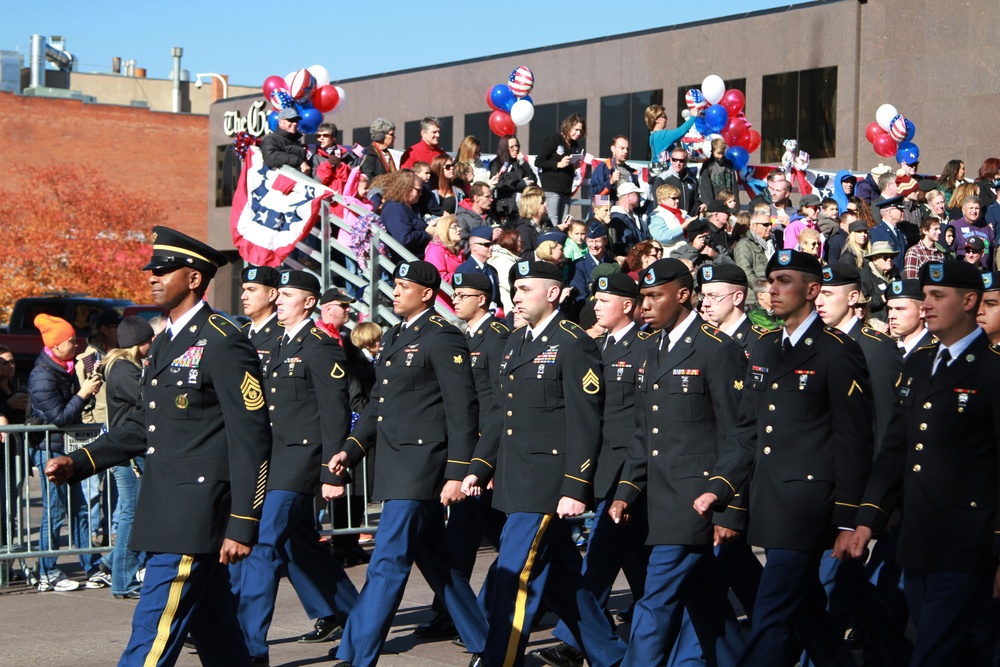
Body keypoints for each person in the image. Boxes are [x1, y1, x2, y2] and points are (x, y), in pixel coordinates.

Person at [44, 226, 272, 666]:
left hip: (196, 509)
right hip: (167, 504)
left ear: (193, 279)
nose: (153, 277)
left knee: (152, 633)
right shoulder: (165, 340)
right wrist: (80, 461)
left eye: (165, 269)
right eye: (153, 269)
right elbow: (146, 425)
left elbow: (252, 436)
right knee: (218, 630)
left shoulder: (224, 338)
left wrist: (244, 520)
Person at [694, 249, 875, 667]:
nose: (772, 290)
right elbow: (747, 429)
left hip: (812, 506)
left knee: (771, 613)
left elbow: (854, 441)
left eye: (784, 281)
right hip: (771, 502)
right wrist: (720, 486)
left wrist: (850, 519)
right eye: (770, 281)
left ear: (813, 290)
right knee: (808, 610)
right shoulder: (763, 347)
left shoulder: (837, 351)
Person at [463, 260, 628, 667]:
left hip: (547, 484)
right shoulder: (516, 342)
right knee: (560, 579)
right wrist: (479, 466)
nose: (516, 297)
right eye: (514, 289)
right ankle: (612, 656)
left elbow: (586, 421)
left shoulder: (573, 342)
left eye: (525, 289)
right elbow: (502, 413)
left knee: (514, 575)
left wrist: (575, 486)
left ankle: (500, 660)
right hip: (516, 480)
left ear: (553, 293)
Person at [326, 260, 487, 667]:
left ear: (427, 293)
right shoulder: (397, 335)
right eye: (394, 285)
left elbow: (462, 409)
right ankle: (490, 643)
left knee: (387, 560)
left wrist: (456, 472)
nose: (395, 292)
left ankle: (356, 654)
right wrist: (352, 447)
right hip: (396, 463)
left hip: (422, 465)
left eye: (403, 286)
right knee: (440, 564)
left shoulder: (442, 337)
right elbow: (380, 403)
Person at [849, 260, 1000, 666]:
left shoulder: (991, 369)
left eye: (937, 296)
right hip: (919, 537)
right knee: (966, 647)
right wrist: (868, 519)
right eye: (926, 297)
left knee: (934, 651)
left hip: (968, 540)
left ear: (969, 301)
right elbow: (896, 449)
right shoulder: (918, 363)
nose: (926, 305)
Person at [606, 258, 746, 667]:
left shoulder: (717, 349)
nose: (643, 306)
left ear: (683, 295)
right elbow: (644, 431)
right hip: (659, 497)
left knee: (654, 601)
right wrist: (627, 490)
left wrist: (730, 507)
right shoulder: (650, 347)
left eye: (654, 296)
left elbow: (738, 433)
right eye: (641, 297)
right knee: (707, 603)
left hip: (697, 499)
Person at [230, 270, 358, 665]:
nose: (279, 300)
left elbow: (335, 413)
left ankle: (250, 647)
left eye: (287, 294)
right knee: (300, 547)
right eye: (278, 294)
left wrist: (332, 472)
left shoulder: (319, 345)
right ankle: (360, 620)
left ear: (308, 302)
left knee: (263, 546)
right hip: (270, 458)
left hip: (299, 461)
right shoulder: (279, 343)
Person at [533, 274, 653, 667]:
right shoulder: (597, 346)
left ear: (629, 306)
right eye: (596, 299)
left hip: (629, 468)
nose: (598, 306)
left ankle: (574, 639)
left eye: (606, 300)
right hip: (602, 466)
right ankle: (663, 624)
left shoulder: (647, 347)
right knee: (636, 560)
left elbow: (643, 419)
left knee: (601, 551)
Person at [419, 271, 511, 640]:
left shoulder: (497, 337)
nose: (455, 300)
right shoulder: (461, 337)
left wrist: (486, 459)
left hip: (488, 455)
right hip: (469, 453)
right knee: (466, 535)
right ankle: (452, 613)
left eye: (464, 294)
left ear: (483, 300)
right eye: (454, 294)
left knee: (498, 537)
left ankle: (464, 614)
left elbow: (499, 402)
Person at [28, 313, 103, 592]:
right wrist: (83, 393)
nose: (77, 345)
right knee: (56, 511)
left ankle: (92, 566)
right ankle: (47, 571)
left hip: (68, 449)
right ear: (55, 346)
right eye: (71, 341)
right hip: (49, 450)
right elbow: (59, 417)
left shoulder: (68, 367)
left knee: (81, 509)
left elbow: (74, 411)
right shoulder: (42, 375)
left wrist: (88, 389)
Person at [100, 316, 155, 600]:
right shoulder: (123, 370)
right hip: (128, 452)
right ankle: (123, 580)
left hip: (129, 451)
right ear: (137, 344)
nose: (152, 346)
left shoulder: (123, 367)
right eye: (148, 341)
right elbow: (150, 400)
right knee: (131, 515)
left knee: (132, 513)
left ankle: (112, 562)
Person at [535, 114, 585, 228]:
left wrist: (574, 165)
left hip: (566, 189)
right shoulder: (554, 139)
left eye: (580, 131)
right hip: (552, 189)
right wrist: (558, 164)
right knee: (553, 221)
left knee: (565, 221)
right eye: (576, 129)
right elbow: (539, 161)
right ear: (568, 126)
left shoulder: (574, 144)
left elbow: (567, 165)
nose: (578, 133)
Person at [381, 169, 435, 260]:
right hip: (407, 262)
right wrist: (427, 233)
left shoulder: (410, 207)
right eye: (418, 190)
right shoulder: (394, 209)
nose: (420, 194)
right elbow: (404, 239)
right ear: (407, 188)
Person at [240, 265, 283, 368]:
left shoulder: (283, 334)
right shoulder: (241, 333)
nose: (243, 297)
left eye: (251, 290)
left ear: (272, 294)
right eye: (244, 290)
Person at [490, 134, 537, 222]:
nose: (515, 149)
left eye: (517, 146)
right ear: (504, 148)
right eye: (511, 147)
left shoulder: (519, 163)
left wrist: (523, 162)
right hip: (506, 208)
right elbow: (500, 183)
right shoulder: (496, 164)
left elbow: (533, 179)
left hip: (522, 208)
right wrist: (522, 183)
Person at [733, 209, 775, 307]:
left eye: (770, 224)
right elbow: (745, 271)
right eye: (765, 224)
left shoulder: (771, 244)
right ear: (754, 226)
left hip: (769, 298)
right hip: (753, 300)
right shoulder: (744, 245)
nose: (769, 227)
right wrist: (763, 290)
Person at [456, 225, 503, 312]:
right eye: (487, 245)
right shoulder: (464, 271)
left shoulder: (492, 270)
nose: (491, 248)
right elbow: (463, 301)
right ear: (474, 247)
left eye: (492, 244)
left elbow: (497, 299)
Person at [886, 279, 935, 357]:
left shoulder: (935, 352)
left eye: (900, 309)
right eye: (890, 309)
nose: (891, 316)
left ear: (922, 311)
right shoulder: (886, 350)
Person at [569, 223, 616, 304]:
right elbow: (581, 296)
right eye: (590, 241)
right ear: (586, 242)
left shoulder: (612, 263)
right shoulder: (579, 265)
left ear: (605, 241)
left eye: (597, 241)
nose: (594, 245)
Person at [648, 147, 702, 216]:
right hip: (670, 222)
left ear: (685, 162)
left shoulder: (692, 180)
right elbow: (658, 204)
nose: (678, 163)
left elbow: (697, 201)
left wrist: (689, 217)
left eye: (681, 160)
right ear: (670, 160)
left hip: (688, 221)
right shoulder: (662, 180)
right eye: (675, 160)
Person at [261, 107, 310, 175]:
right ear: (280, 122)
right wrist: (299, 161)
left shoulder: (296, 141)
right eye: (291, 120)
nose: (295, 123)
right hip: (280, 183)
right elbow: (270, 157)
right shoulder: (271, 139)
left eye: (296, 121)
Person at [869, 195, 910, 274]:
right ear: (890, 213)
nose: (903, 212)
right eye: (900, 209)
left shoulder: (901, 231)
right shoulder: (876, 232)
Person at [591, 135, 639, 201]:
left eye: (627, 149)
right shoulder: (604, 168)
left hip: (628, 210)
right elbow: (594, 194)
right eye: (622, 148)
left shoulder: (632, 172)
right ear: (613, 149)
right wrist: (610, 182)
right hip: (610, 209)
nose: (625, 151)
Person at [608, 182, 648, 258]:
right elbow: (625, 243)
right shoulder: (617, 218)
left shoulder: (636, 217)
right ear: (628, 196)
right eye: (637, 194)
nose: (639, 197)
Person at [952, 196, 994, 268]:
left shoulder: (986, 227)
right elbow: (950, 253)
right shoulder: (955, 227)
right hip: (964, 272)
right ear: (963, 210)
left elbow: (993, 251)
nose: (974, 211)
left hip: (985, 273)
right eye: (971, 208)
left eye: (977, 208)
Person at [424, 213, 465, 287]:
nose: (459, 229)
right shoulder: (435, 251)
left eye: (458, 226)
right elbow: (439, 278)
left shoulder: (458, 250)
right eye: (455, 227)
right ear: (444, 230)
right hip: (443, 296)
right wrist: (464, 275)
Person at [699, 138, 740, 209]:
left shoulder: (729, 164)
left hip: (729, 202)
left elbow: (733, 186)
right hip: (714, 202)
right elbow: (705, 188)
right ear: (712, 151)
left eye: (722, 153)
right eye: (718, 153)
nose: (720, 156)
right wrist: (710, 207)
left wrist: (736, 205)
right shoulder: (707, 166)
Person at [509, 185, 546, 260]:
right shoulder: (524, 228)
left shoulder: (545, 223)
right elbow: (524, 255)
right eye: (542, 203)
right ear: (534, 206)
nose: (546, 204)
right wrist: (545, 253)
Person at [456, 182, 496, 251]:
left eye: (491, 196)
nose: (491, 200)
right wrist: (489, 239)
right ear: (476, 198)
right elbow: (463, 247)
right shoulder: (462, 219)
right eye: (487, 197)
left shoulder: (490, 215)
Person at [489, 229, 521, 314]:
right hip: (508, 307)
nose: (522, 243)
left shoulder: (509, 259)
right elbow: (508, 284)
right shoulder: (501, 260)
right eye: (519, 241)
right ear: (511, 242)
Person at [358, 118, 397, 182]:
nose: (394, 137)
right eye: (391, 134)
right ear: (381, 136)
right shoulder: (369, 154)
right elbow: (368, 179)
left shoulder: (387, 153)